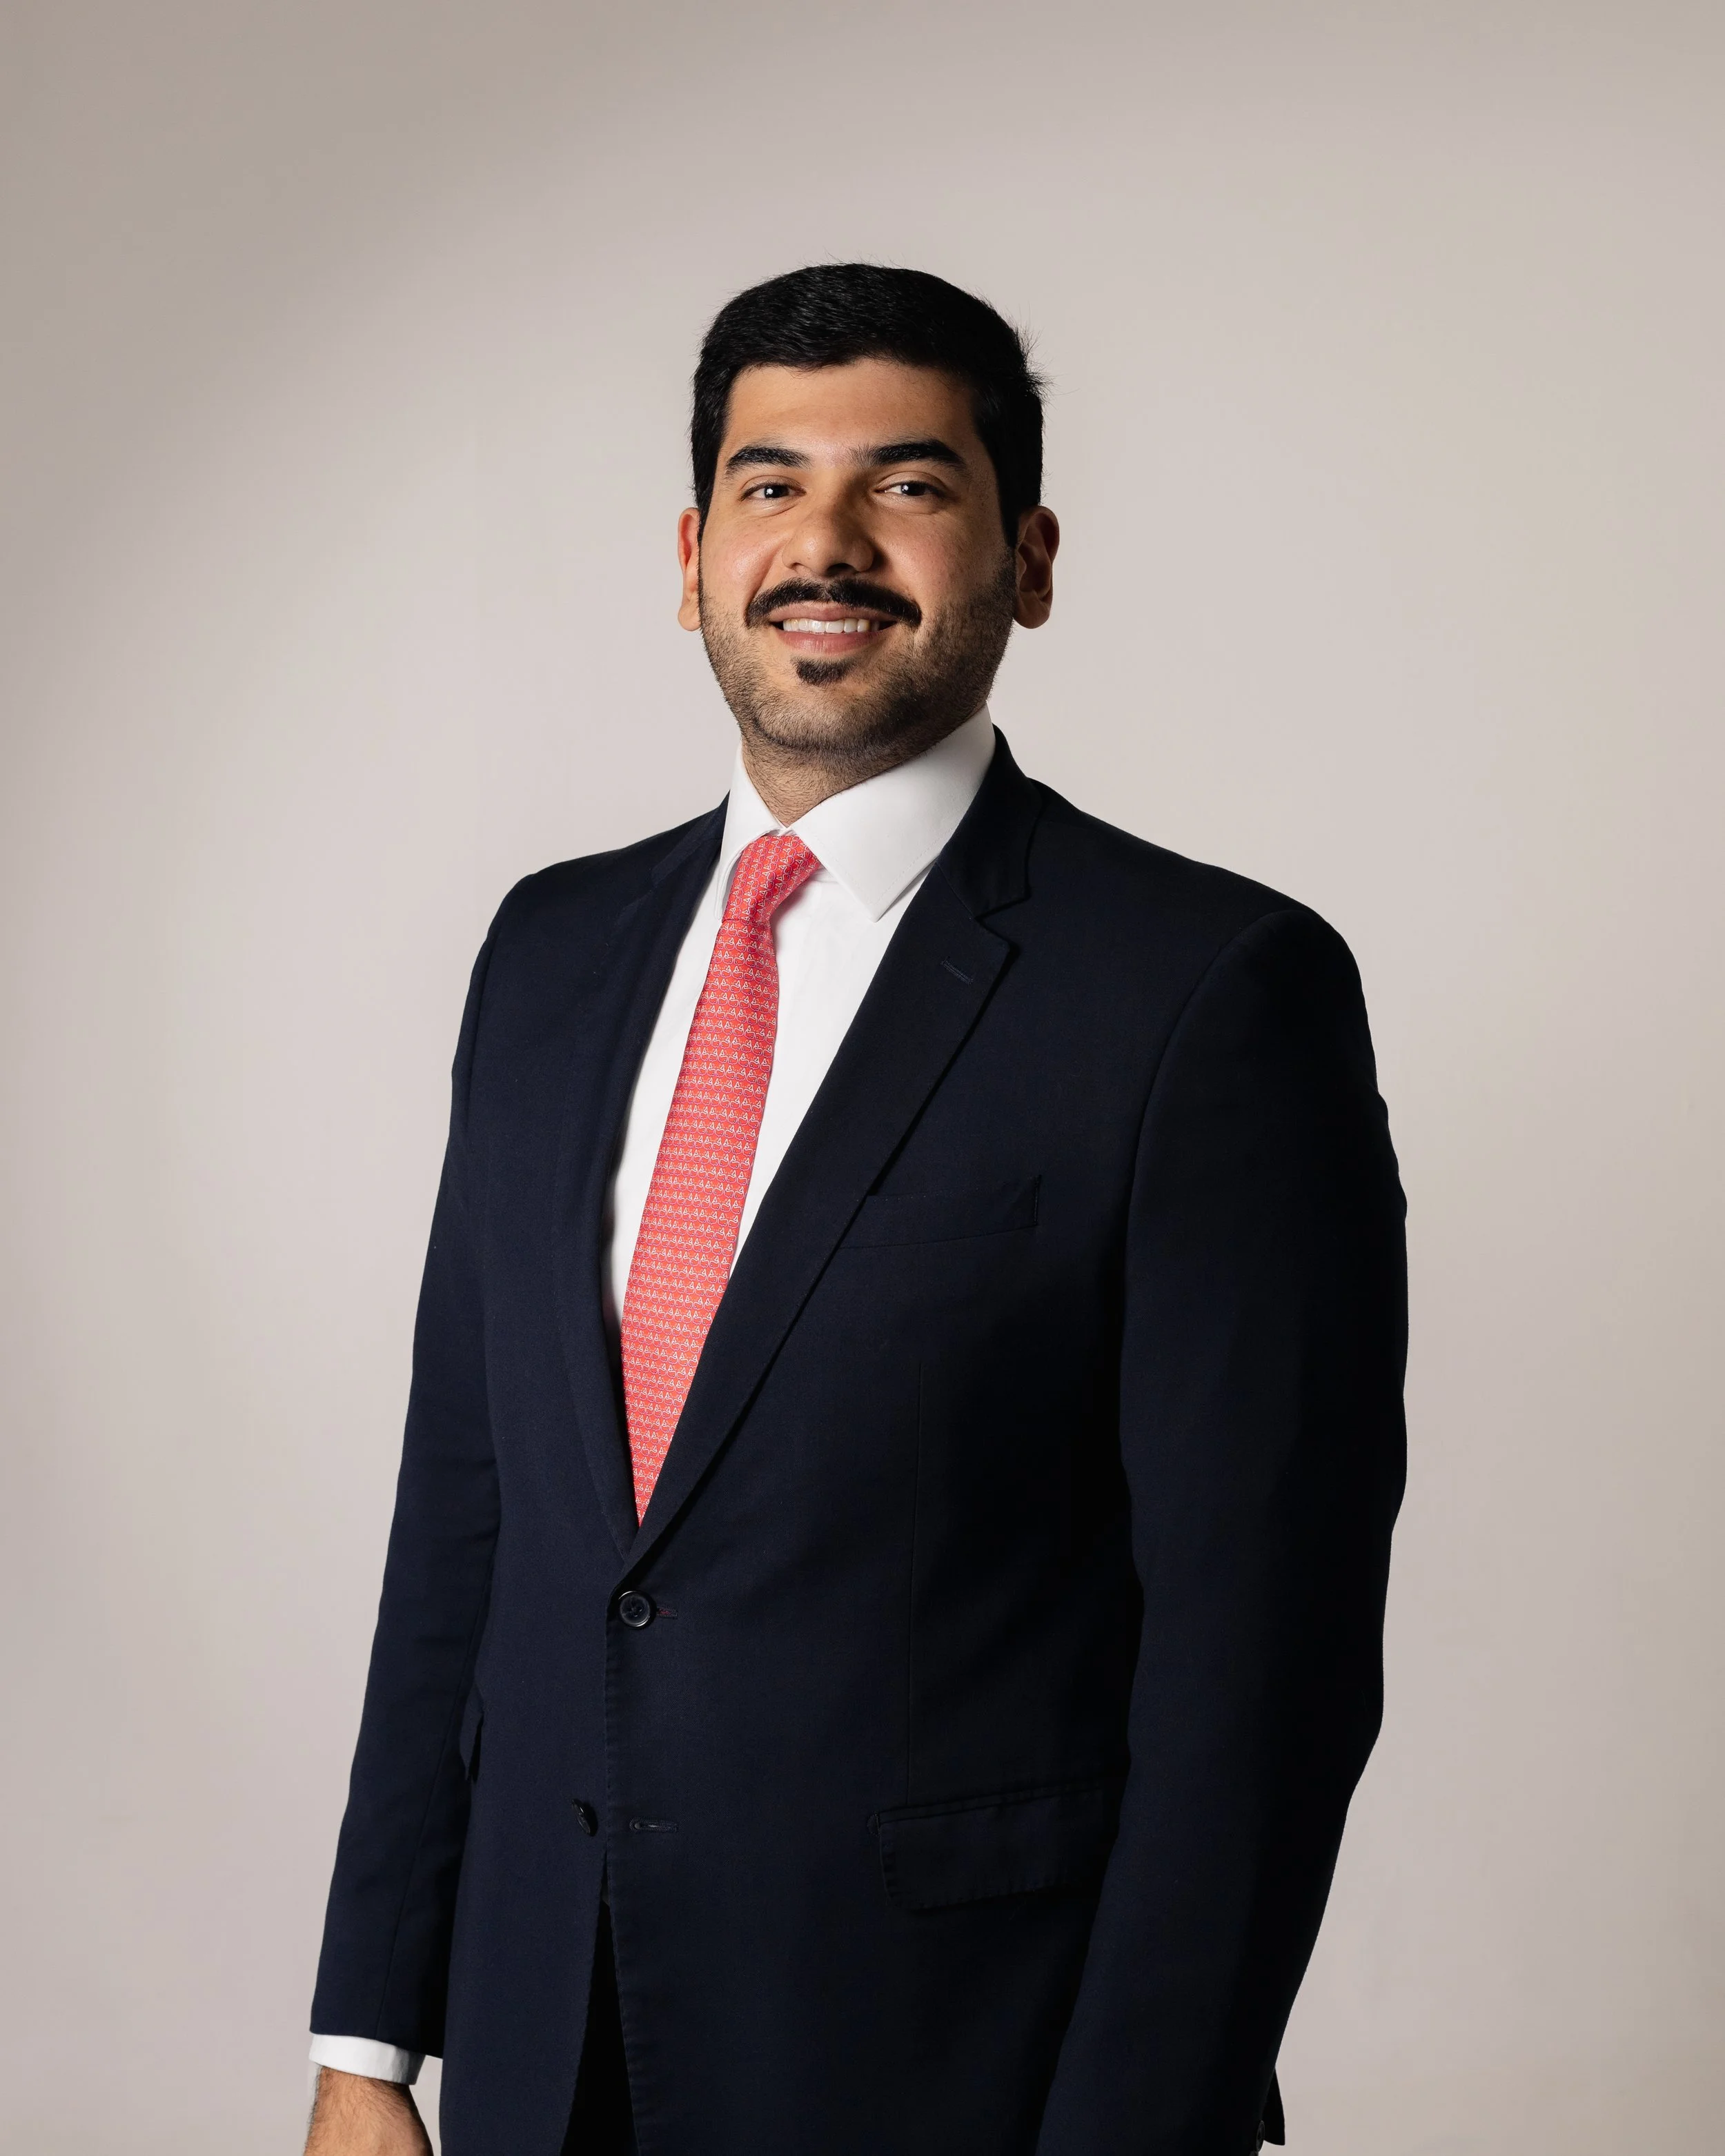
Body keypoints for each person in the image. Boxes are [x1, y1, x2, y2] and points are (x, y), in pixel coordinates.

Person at [303, 263, 1406, 2156]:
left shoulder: (1206, 991)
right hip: (530, 2041)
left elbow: (1260, 1680)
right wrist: (367, 2039)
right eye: (766, 483)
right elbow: (462, 1517)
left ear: (1026, 554)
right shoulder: (548, 950)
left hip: (958, 2067)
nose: (823, 543)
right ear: (690, 553)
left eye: (906, 483)